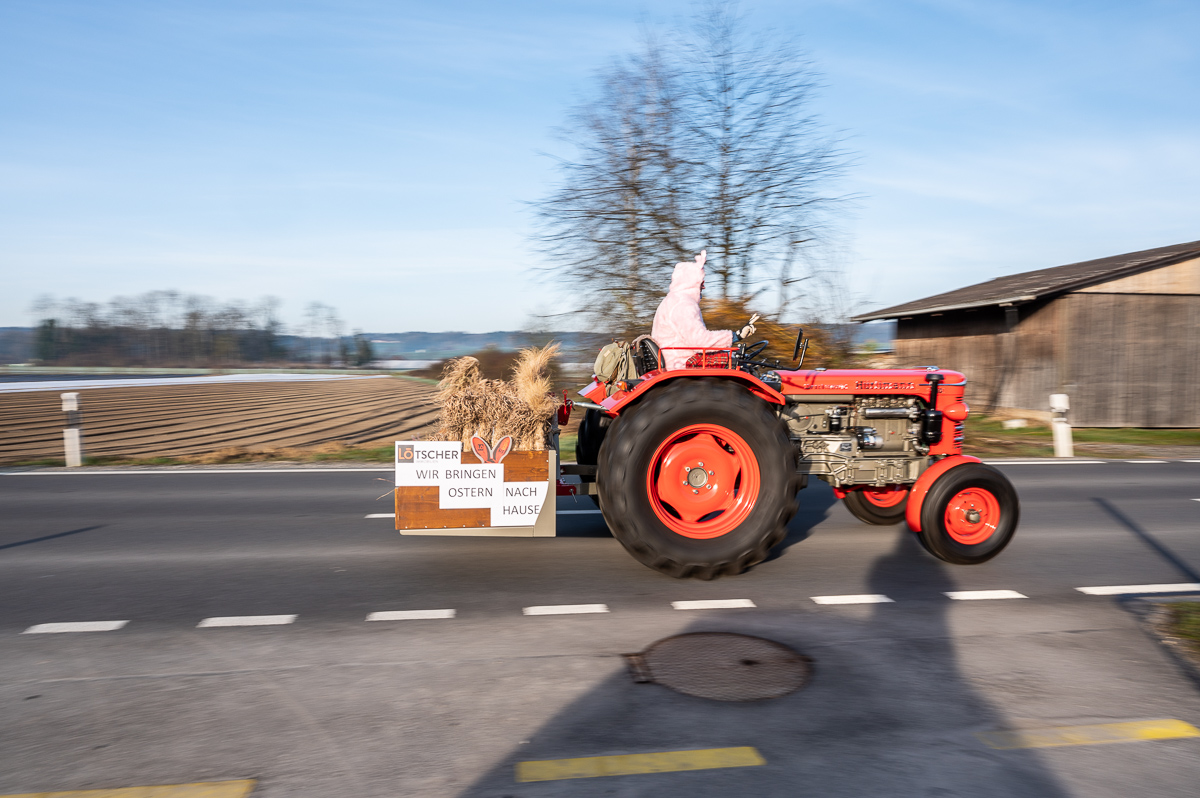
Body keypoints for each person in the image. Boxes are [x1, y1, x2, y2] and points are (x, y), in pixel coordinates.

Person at [651, 250, 757, 370]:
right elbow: (700, 342)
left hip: (674, 359)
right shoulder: (683, 304)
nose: (704, 286)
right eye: (701, 282)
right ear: (690, 281)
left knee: (732, 356)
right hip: (681, 362)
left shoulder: (672, 300)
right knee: (737, 362)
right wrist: (735, 336)